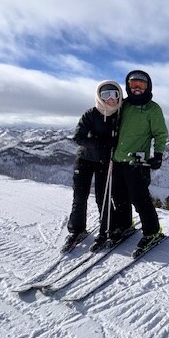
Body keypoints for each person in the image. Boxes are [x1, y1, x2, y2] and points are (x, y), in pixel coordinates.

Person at [64, 80, 125, 252]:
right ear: (99, 96)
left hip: (105, 161)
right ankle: (76, 229)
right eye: (106, 95)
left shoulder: (120, 116)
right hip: (85, 159)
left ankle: (108, 228)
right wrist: (100, 143)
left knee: (102, 197)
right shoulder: (91, 114)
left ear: (120, 96)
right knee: (80, 196)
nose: (110, 99)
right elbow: (78, 137)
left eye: (114, 94)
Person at [111, 70, 168, 252]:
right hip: (117, 159)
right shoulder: (124, 105)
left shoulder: (152, 109)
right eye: (133, 84)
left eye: (141, 85)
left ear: (148, 87)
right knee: (119, 196)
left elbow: (160, 133)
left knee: (140, 198)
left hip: (136, 162)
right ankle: (124, 224)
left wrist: (158, 154)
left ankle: (152, 231)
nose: (137, 88)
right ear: (128, 86)